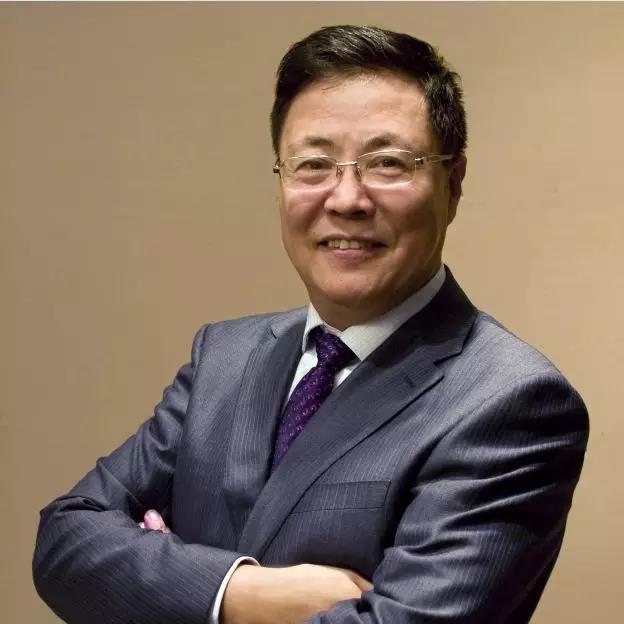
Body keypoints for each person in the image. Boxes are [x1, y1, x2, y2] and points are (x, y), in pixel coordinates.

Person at [33, 25, 589, 624]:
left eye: (388, 163)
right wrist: (240, 593)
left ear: (452, 186)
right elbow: (66, 540)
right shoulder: (225, 355)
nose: (346, 199)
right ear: (281, 181)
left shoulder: (511, 401)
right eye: (314, 164)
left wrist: (158, 583)